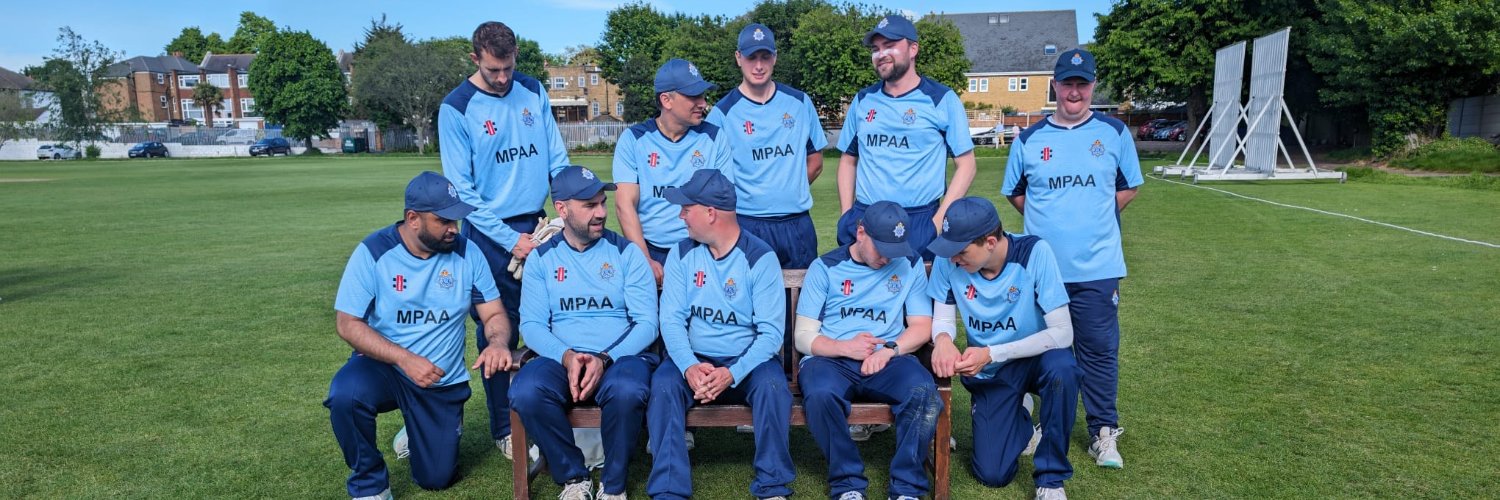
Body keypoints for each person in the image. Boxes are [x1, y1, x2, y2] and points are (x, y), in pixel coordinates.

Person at [325, 172, 515, 499]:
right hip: (385, 368)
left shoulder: (468, 253)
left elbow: (494, 313)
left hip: (440, 379)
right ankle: (370, 485)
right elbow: (347, 323)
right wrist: (404, 358)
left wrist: (497, 342)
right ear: (413, 219)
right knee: (346, 394)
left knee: (436, 479)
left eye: (456, 219)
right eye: (444, 220)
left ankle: (416, 429)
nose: (454, 228)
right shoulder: (373, 252)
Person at [1001, 48, 1143, 469]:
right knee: (1040, 351)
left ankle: (1103, 431)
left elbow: (1129, 187)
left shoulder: (1114, 132)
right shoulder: (1029, 139)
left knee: (1098, 351)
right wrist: (1052, 221)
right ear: (1055, 86)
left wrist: (1093, 218)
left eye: (1082, 84)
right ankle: (1037, 423)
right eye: (1067, 84)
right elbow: (1016, 193)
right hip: (1043, 271)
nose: (1074, 92)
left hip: (1097, 268)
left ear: (1093, 85)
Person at [437, 21, 571, 455]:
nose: (502, 77)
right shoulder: (456, 107)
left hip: (540, 225)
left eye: (508, 67)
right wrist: (510, 240)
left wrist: (566, 209)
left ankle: (556, 413)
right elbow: (462, 192)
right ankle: (504, 429)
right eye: (493, 69)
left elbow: (556, 158)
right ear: (475, 58)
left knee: (555, 319)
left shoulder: (532, 89)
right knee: (498, 330)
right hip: (488, 235)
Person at [510, 166, 660, 500]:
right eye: (590, 205)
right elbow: (532, 325)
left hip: (618, 358)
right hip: (561, 359)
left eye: (602, 203)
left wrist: (604, 359)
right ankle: (574, 478)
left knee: (627, 389)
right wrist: (566, 357)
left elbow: (647, 323)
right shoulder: (542, 259)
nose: (602, 212)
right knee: (526, 390)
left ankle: (614, 485)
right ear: (561, 209)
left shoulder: (627, 253)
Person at [646, 169, 793, 500]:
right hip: (695, 359)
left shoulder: (760, 257)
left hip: (746, 361)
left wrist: (732, 372)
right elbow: (671, 320)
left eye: (687, 208)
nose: (681, 215)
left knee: (773, 387)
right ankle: (668, 490)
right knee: (664, 384)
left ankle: (773, 487)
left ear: (710, 213)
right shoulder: (681, 253)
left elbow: (771, 335)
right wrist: (688, 365)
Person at [925, 197, 1079, 500]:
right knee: (992, 474)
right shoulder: (947, 259)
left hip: (1038, 359)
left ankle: (1051, 480)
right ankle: (1020, 413)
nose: (953, 258)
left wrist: (993, 352)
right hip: (992, 371)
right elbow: (942, 319)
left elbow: (1063, 333)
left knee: (1063, 370)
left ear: (991, 242)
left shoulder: (1035, 252)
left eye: (961, 251)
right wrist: (942, 340)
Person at [794, 201, 940, 500]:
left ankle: (907, 488)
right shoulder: (825, 267)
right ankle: (847, 484)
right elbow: (803, 336)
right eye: (882, 248)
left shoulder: (909, 263)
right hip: (832, 359)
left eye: (894, 250)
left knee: (923, 392)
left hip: (888, 358)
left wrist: (890, 349)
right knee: (820, 395)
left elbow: (921, 325)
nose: (887, 258)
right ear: (861, 233)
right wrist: (844, 347)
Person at [835, 14, 977, 261]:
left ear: (913, 49)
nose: (881, 54)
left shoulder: (941, 99)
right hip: (866, 217)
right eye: (876, 49)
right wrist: (846, 215)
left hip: (918, 220)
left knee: (915, 286)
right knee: (865, 285)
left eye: (889, 45)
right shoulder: (863, 100)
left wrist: (936, 223)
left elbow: (967, 165)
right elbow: (848, 160)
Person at [705, 23, 828, 270]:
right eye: (751, 57)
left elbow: (815, 162)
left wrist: (788, 189)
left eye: (765, 57)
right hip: (747, 224)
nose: (759, 66)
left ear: (775, 57)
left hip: (797, 224)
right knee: (749, 292)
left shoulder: (800, 102)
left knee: (800, 292)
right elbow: (711, 179)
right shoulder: (722, 114)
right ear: (738, 58)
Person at [614, 58, 734, 283]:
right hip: (651, 250)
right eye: (693, 96)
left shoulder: (715, 137)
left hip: (701, 250)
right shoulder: (633, 139)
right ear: (666, 100)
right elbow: (625, 205)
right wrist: (644, 259)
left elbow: (723, 205)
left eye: (703, 96)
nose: (703, 103)